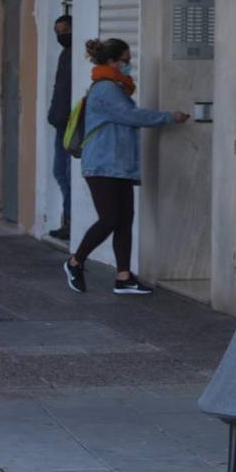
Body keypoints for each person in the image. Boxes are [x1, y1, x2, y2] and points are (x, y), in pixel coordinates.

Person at [62, 39, 189, 294]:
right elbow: (131, 116)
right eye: (126, 60)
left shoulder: (115, 87)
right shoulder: (107, 89)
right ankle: (75, 261)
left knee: (124, 220)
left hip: (118, 165)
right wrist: (169, 117)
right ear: (112, 62)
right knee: (110, 218)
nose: (128, 65)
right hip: (102, 165)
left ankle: (123, 277)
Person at [47, 14, 74, 240]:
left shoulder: (73, 55)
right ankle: (68, 218)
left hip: (68, 123)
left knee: (65, 171)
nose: (61, 36)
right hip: (60, 121)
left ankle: (71, 220)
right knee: (59, 171)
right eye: (57, 33)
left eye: (64, 31)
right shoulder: (66, 54)